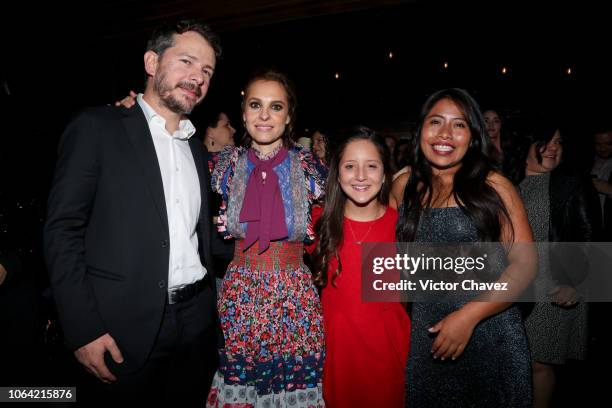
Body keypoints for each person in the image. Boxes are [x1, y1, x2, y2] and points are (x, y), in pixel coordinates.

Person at [44, 20, 221, 405]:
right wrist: (82, 329)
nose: (197, 78)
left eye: (206, 71)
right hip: (122, 329)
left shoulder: (196, 148)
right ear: (151, 62)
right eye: (187, 62)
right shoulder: (97, 127)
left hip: (196, 326)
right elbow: (62, 230)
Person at [391, 88, 535, 407]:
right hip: (426, 340)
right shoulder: (404, 188)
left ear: (472, 137)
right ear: (420, 131)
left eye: (459, 125)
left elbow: (526, 266)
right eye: (436, 121)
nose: (445, 133)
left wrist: (469, 316)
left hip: (493, 340)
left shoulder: (493, 185)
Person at [206, 69, 326, 407]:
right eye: (256, 105)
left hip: (294, 295)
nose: (264, 115)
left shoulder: (309, 167)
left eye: (276, 107)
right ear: (243, 114)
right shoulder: (223, 165)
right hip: (239, 294)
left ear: (288, 117)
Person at [308, 126, 410, 407]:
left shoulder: (401, 227)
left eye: (372, 166)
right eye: (350, 166)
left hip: (388, 359)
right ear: (337, 173)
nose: (361, 176)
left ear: (385, 172)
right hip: (338, 359)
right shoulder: (319, 223)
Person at [508, 122, 600, 408]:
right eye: (545, 141)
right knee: (516, 359)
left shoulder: (571, 181)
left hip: (554, 284)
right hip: (516, 282)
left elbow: (590, 236)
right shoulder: (507, 182)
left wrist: (575, 282)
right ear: (526, 147)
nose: (553, 148)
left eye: (559, 143)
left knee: (538, 362)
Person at [591, 128, 612, 240]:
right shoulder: (585, 162)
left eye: (609, 144)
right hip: (591, 231)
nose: (603, 148)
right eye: (598, 144)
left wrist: (610, 190)